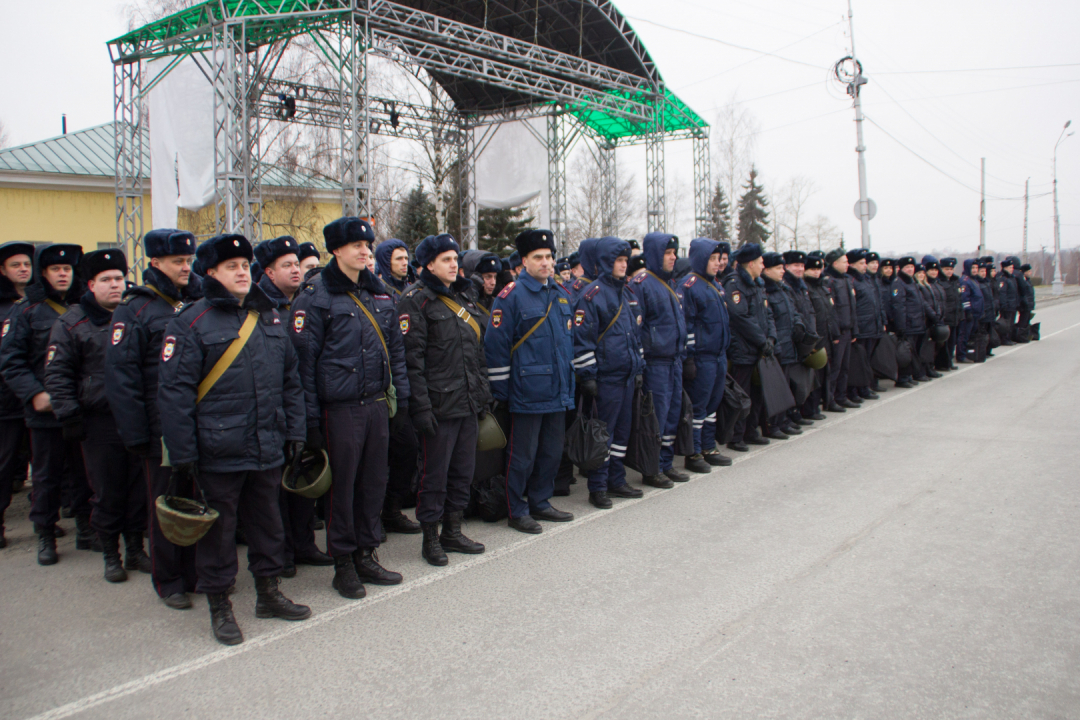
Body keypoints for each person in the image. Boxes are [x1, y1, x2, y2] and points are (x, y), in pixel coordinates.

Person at [159, 233, 310, 645]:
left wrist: (295, 432)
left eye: (245, 266)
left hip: (267, 443)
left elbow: (290, 382)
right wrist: (183, 455)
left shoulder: (270, 317)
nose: (242, 272)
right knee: (219, 533)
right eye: (231, 267)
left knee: (268, 523)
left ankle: (268, 593)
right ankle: (220, 606)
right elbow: (174, 394)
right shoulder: (190, 321)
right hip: (217, 449)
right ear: (209, 273)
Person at [291, 217, 410, 599]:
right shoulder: (316, 297)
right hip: (339, 410)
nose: (364, 251)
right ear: (336, 250)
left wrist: (401, 400)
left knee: (373, 483)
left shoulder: (379, 295)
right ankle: (343, 562)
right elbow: (304, 365)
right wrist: (310, 423)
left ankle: (366, 552)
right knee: (343, 489)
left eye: (368, 245)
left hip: (376, 405)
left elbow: (396, 354)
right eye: (356, 245)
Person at [106, 229, 201, 607]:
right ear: (155, 263)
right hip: (158, 426)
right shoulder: (135, 309)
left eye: (188, 260)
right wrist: (136, 434)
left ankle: (195, 572)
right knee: (165, 503)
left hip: (196, 421)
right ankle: (170, 580)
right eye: (177, 261)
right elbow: (121, 377)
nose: (185, 267)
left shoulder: (196, 300)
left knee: (195, 500)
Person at [44, 249, 151, 582]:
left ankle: (135, 549)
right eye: (106, 280)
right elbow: (57, 373)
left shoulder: (134, 315)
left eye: (119, 278)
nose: (115, 285)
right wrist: (69, 414)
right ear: (91, 284)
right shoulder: (71, 322)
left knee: (138, 488)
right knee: (107, 490)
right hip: (98, 420)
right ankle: (110, 553)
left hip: (134, 416)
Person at [397, 234, 491, 564]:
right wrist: (419, 408)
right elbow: (412, 361)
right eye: (446, 260)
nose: (454, 265)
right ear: (429, 265)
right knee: (433, 476)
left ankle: (452, 531)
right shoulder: (416, 300)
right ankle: (430, 537)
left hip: (466, 403)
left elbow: (476, 352)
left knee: (462, 472)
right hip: (437, 407)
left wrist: (482, 394)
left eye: (455, 259)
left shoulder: (463, 297)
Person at [1, 243, 93, 565]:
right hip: (45, 410)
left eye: (67, 269)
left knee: (83, 472)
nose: (63, 274)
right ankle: (45, 533)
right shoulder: (24, 312)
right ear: (44, 273)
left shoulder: (86, 307)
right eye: (56, 269)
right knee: (46, 474)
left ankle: (86, 527)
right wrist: (34, 394)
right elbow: (11, 362)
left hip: (80, 407)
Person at [485, 229, 575, 534]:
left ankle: (540, 500)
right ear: (523, 261)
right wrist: (501, 391)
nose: (546, 262)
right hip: (526, 391)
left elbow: (566, 345)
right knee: (522, 455)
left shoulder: (561, 294)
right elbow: (495, 347)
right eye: (538, 257)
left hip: (557, 390)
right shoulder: (509, 297)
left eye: (549, 256)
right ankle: (516, 508)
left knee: (551, 451)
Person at [253, 236, 334, 577]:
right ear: (269, 272)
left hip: (300, 401)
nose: (295, 270)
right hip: (270, 408)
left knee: (302, 473)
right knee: (274, 489)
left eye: (296, 263)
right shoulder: (259, 307)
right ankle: (281, 552)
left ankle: (302, 544)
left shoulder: (304, 301)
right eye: (286, 265)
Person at [573, 237, 646, 507]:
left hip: (626, 376)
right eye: (618, 260)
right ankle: (598, 486)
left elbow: (634, 336)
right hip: (606, 378)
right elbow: (582, 339)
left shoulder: (627, 292)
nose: (623, 265)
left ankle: (616, 479)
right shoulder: (592, 295)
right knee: (603, 435)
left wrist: (639, 367)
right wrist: (588, 375)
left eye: (626, 260)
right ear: (605, 262)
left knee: (622, 433)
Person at [634, 233, 689, 483]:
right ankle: (651, 467)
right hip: (655, 363)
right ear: (656, 254)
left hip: (674, 361)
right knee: (656, 417)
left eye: (674, 253)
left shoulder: (671, 283)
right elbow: (636, 326)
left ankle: (666, 463)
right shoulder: (642, 283)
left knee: (671, 414)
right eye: (668, 253)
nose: (673, 257)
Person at [678, 239, 733, 471]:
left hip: (718, 356)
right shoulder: (690, 286)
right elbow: (687, 325)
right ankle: (694, 453)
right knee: (699, 407)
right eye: (712, 258)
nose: (717, 263)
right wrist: (689, 357)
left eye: (718, 259)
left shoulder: (716, 286)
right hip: (702, 357)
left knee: (712, 405)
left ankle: (709, 447)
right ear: (701, 259)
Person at [723, 243, 775, 452]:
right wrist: (762, 340)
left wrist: (771, 338)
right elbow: (740, 317)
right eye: (761, 262)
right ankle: (736, 436)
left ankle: (751, 430)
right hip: (744, 348)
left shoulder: (757, 284)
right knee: (742, 394)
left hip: (759, 347)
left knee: (757, 391)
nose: (763, 265)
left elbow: (767, 314)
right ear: (750, 263)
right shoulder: (735, 284)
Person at [0, 241, 34, 548]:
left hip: (36, 401)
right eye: (15, 265)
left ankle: (42, 519)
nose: (23, 269)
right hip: (6, 402)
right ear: (2, 271)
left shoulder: (37, 304)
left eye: (26, 264)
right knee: (5, 462)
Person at [760, 252, 805, 439]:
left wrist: (799, 324)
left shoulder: (783, 289)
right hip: (776, 345)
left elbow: (793, 311)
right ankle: (772, 424)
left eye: (782, 267)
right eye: (778, 268)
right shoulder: (766, 291)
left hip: (788, 344)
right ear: (767, 269)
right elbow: (769, 318)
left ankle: (784, 420)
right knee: (775, 387)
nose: (782, 271)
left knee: (785, 384)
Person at [783, 249, 822, 423]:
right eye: (795, 265)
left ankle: (800, 411)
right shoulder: (787, 286)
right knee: (793, 380)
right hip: (795, 339)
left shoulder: (801, 286)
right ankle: (792, 414)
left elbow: (809, 311)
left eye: (801, 265)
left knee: (805, 379)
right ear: (787, 266)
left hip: (806, 339)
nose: (799, 269)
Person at [847, 248, 885, 401]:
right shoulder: (852, 280)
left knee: (867, 360)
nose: (865, 266)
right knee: (858, 362)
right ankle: (854, 390)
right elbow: (853, 307)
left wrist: (882, 321)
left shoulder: (866, 279)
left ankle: (865, 387)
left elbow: (876, 302)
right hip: (862, 327)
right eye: (862, 263)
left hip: (872, 325)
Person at [803, 254, 837, 418]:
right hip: (815, 338)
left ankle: (827, 401)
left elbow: (830, 313)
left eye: (819, 269)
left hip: (826, 335)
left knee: (825, 373)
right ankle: (811, 408)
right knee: (814, 375)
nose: (817, 272)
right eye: (812, 269)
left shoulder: (822, 287)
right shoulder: (806, 288)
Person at [824, 249, 857, 409]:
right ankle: (830, 399)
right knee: (835, 369)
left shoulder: (846, 280)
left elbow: (852, 307)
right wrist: (836, 332)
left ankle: (841, 396)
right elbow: (832, 311)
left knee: (845, 367)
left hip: (847, 330)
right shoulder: (829, 281)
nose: (847, 264)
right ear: (835, 263)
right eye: (844, 261)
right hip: (838, 333)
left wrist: (854, 329)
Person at [890, 256, 927, 387]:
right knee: (904, 351)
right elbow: (898, 306)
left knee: (912, 351)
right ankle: (902, 378)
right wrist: (901, 326)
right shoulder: (898, 282)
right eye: (907, 267)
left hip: (916, 322)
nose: (910, 269)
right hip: (907, 323)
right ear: (901, 268)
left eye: (912, 267)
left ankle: (908, 375)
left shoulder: (911, 282)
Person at [956, 259, 985, 363]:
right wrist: (967, 311)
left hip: (975, 313)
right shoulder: (965, 280)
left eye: (976, 268)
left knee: (971, 335)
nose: (975, 270)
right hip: (968, 314)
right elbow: (964, 298)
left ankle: (969, 353)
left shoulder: (974, 280)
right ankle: (961, 355)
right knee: (964, 334)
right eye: (973, 268)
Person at [937, 258, 961, 370]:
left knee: (952, 341)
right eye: (947, 269)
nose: (949, 272)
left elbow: (958, 299)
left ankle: (949, 361)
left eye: (951, 269)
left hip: (955, 316)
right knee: (944, 343)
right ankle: (943, 363)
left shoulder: (954, 281)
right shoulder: (939, 282)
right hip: (946, 317)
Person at [997, 257, 1020, 345]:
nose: (1012, 269)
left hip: (1012, 304)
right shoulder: (1003, 278)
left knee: (1010, 323)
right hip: (1007, 305)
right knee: (1005, 323)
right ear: (1005, 268)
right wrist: (1004, 305)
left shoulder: (1011, 277)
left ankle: (1008, 338)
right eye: (1010, 267)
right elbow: (1002, 293)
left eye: (1012, 267)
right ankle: (1004, 338)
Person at [1016, 263, 1036, 340]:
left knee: (1026, 320)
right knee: (1023, 321)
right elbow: (1023, 293)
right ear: (1025, 272)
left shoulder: (1028, 280)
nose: (1030, 273)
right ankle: (1021, 336)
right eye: (1029, 271)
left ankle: (1025, 335)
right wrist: (1025, 303)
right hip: (1025, 304)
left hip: (1029, 304)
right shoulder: (1022, 280)